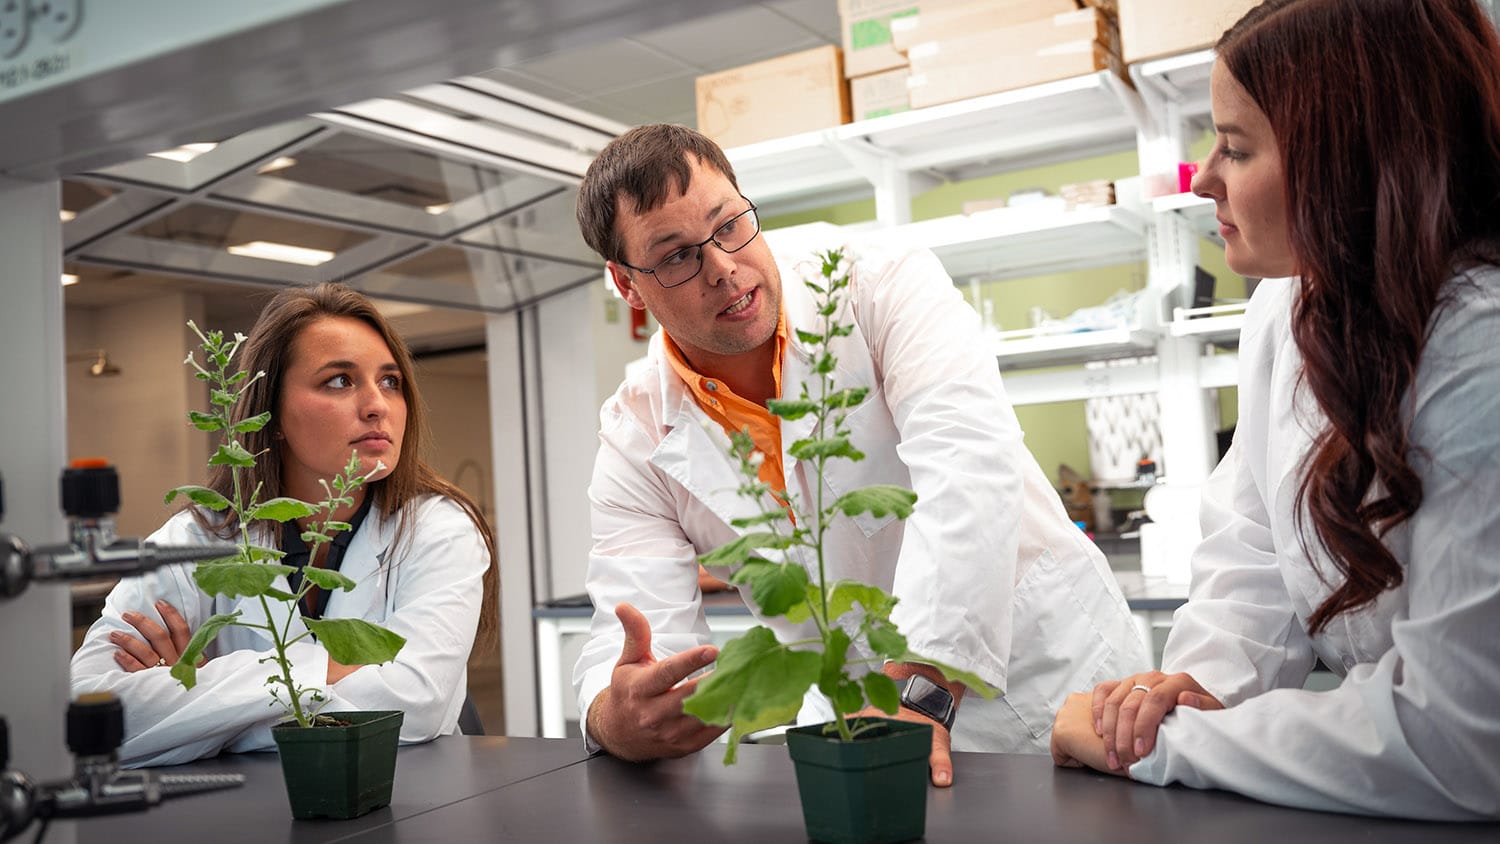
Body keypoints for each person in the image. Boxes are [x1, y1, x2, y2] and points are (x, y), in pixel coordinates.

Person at [572, 123, 1149, 786]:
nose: (723, 266)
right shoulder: (636, 430)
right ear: (626, 284)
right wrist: (617, 717)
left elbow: (966, 472)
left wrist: (920, 691)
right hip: (856, 724)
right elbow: (633, 631)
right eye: (675, 256)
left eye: (730, 224)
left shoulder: (875, 283)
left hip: (1051, 684)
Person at [1050, 0, 1500, 820]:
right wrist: (1185, 696)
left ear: (1350, 161)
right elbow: (1254, 554)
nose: (1202, 178)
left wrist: (1168, 753)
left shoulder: (1480, 351)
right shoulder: (1286, 307)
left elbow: (1463, 740)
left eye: (1237, 146)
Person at [70, 283, 498, 768]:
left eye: (390, 381)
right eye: (339, 380)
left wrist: (202, 706)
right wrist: (330, 672)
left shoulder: (437, 529)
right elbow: (91, 712)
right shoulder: (199, 541)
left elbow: (417, 705)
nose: (377, 404)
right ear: (270, 412)